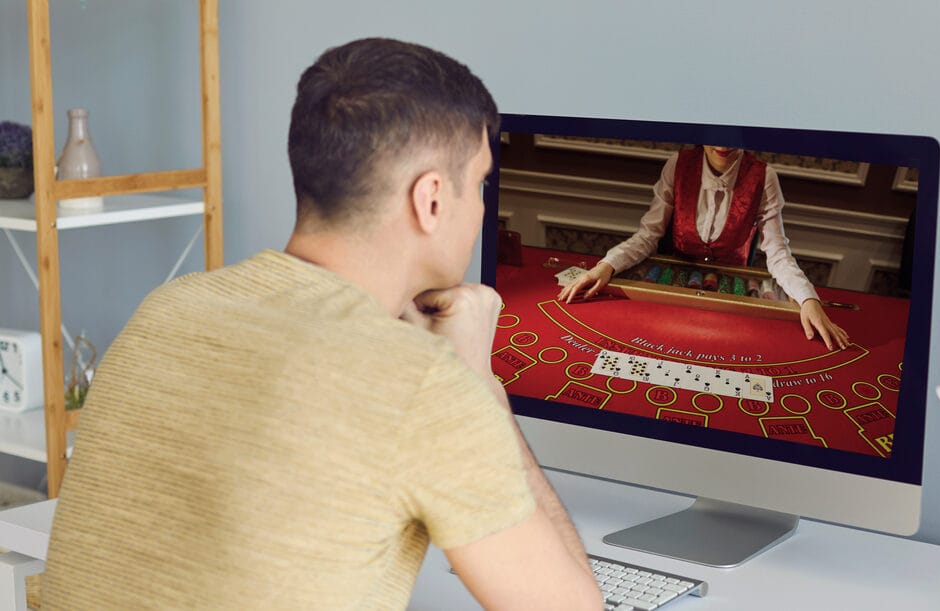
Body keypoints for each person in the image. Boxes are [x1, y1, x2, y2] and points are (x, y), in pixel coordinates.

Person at [42, 38, 602, 610]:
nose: (483, 209)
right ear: (431, 199)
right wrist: (480, 386)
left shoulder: (166, 310)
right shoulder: (421, 384)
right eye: (481, 184)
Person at [558, 145, 850, 351]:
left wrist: (808, 299)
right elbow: (648, 235)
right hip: (675, 286)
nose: (724, 144)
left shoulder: (764, 176)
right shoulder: (678, 163)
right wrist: (605, 266)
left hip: (733, 295)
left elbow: (777, 252)